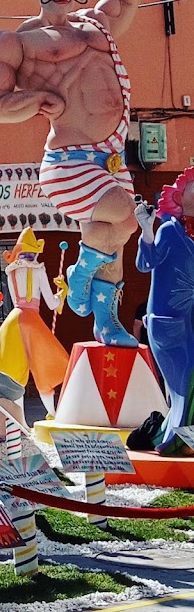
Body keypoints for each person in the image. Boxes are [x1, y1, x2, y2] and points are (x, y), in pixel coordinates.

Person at [0, 0, 144, 347]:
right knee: (124, 212)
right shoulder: (15, 42)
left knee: (120, 236)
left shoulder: (97, 25)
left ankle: (106, 323)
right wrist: (33, 98)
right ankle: (82, 267)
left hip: (111, 156)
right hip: (69, 163)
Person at [134, 173, 194, 452]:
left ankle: (180, 437)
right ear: (179, 198)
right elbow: (146, 263)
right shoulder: (169, 231)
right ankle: (175, 441)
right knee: (184, 380)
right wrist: (147, 230)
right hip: (168, 323)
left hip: (191, 321)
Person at [0, 227, 69, 416]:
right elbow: (53, 304)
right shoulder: (39, 270)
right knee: (43, 368)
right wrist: (63, 292)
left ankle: (19, 420)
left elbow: (16, 302)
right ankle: (53, 414)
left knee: (15, 372)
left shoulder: (11, 272)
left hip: (15, 319)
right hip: (32, 321)